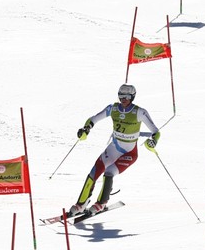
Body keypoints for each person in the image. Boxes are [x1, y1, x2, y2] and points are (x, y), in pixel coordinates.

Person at [68, 84, 160, 216]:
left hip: (129, 153)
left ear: (132, 97)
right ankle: (80, 205)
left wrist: (153, 141)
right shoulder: (113, 108)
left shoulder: (140, 112)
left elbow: (156, 132)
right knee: (94, 171)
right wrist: (86, 128)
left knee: (109, 172)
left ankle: (101, 203)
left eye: (127, 96)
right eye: (121, 95)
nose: (123, 99)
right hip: (114, 148)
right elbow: (94, 119)